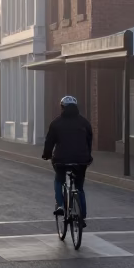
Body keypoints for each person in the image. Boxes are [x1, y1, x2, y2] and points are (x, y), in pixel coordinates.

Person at [43, 95, 93, 227]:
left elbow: (50, 142)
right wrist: (88, 156)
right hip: (81, 160)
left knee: (59, 180)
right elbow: (89, 140)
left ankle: (60, 205)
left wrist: (46, 154)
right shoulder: (84, 122)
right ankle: (82, 216)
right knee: (80, 188)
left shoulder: (56, 122)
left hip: (61, 160)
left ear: (62, 107)